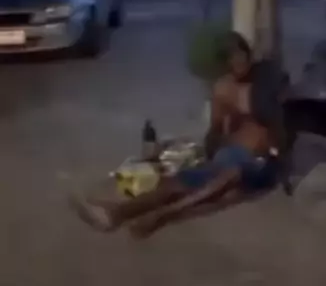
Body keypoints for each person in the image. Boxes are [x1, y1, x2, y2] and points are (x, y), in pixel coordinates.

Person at [70, 32, 281, 238]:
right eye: (232, 59)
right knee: (175, 183)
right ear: (223, 62)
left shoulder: (266, 81)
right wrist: (203, 154)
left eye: (241, 56)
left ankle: (161, 216)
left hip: (256, 162)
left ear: (248, 54)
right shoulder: (223, 89)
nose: (238, 63)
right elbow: (216, 129)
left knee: (227, 177)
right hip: (229, 155)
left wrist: (276, 154)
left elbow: (279, 122)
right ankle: (117, 213)